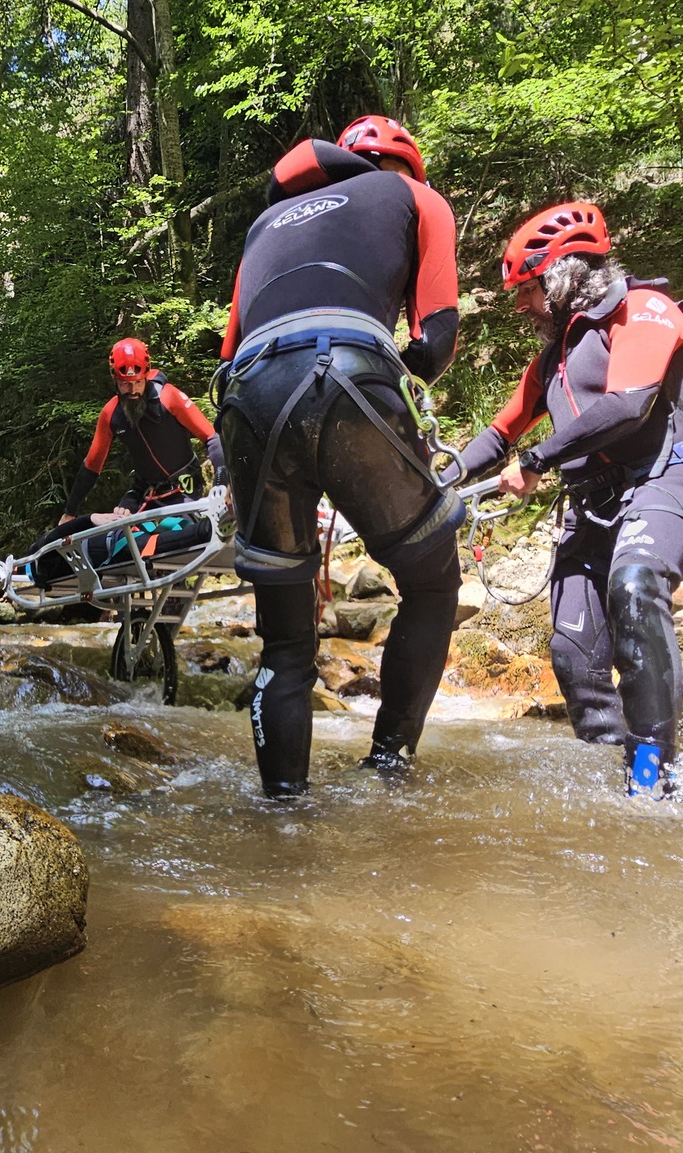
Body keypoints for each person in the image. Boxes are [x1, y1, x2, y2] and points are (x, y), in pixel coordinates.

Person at [215, 113, 464, 798]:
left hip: (249, 401)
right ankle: (387, 770)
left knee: (285, 639)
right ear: (406, 164)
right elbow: (436, 338)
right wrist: (395, 400)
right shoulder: (416, 196)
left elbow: (228, 360)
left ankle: (283, 811)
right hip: (350, 377)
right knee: (432, 583)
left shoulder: (264, 225)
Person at [454, 201, 683, 797]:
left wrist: (536, 461)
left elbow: (629, 404)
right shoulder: (552, 360)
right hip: (591, 508)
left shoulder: (643, 310)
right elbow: (498, 434)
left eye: (528, 290)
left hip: (663, 482)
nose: (521, 306)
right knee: (573, 653)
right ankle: (614, 784)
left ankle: (652, 777)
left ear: (563, 275)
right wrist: (434, 482)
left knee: (635, 586)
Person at [54, 337, 228, 532]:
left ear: (146, 375)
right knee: (119, 533)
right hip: (143, 491)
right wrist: (69, 513)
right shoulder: (111, 414)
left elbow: (212, 439)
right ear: (114, 379)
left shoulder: (168, 397)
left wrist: (222, 482)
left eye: (138, 382)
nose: (133, 390)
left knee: (177, 531)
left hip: (184, 487)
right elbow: (91, 467)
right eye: (125, 384)